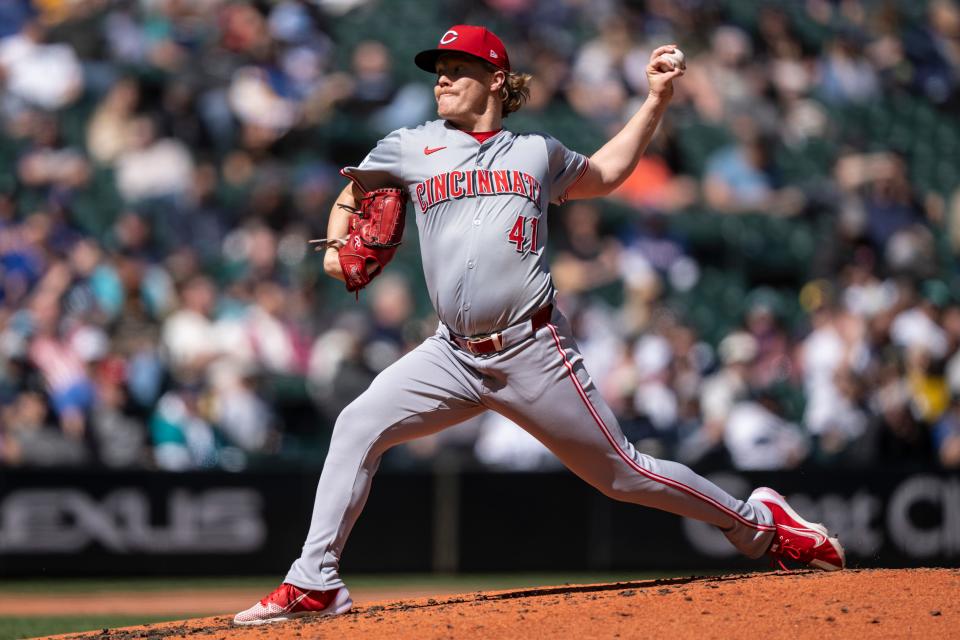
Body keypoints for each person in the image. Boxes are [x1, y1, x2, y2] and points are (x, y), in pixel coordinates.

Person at [234, 25, 845, 625]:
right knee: (356, 425)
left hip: (533, 348)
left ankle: (762, 524)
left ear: (495, 79)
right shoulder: (409, 144)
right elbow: (356, 189)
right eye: (437, 69)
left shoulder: (536, 151)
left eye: (458, 68)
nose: (441, 78)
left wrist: (655, 99)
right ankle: (314, 582)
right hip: (451, 354)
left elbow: (606, 174)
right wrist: (337, 244)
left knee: (623, 474)